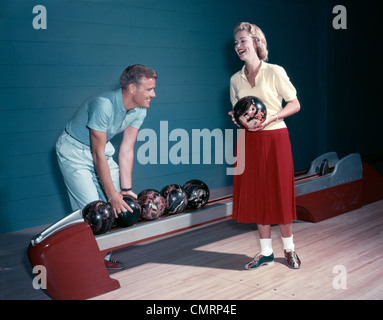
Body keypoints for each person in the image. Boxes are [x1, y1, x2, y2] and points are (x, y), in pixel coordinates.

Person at [56, 64, 157, 269]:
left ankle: (102, 259)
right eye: (149, 89)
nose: (153, 94)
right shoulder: (103, 105)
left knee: (117, 207)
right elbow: (96, 153)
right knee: (94, 209)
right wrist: (112, 195)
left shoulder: (139, 110)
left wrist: (125, 190)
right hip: (74, 152)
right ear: (131, 88)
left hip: (102, 151)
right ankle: (83, 264)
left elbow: (127, 148)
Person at [228, 22, 301, 270]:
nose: (238, 46)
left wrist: (272, 117)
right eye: (236, 42)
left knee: (279, 193)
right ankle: (266, 252)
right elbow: (240, 115)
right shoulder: (235, 79)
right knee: (258, 194)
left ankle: (289, 249)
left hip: (275, 137)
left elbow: (294, 104)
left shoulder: (275, 71)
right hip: (249, 141)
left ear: (256, 42)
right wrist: (237, 118)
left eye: (242, 40)